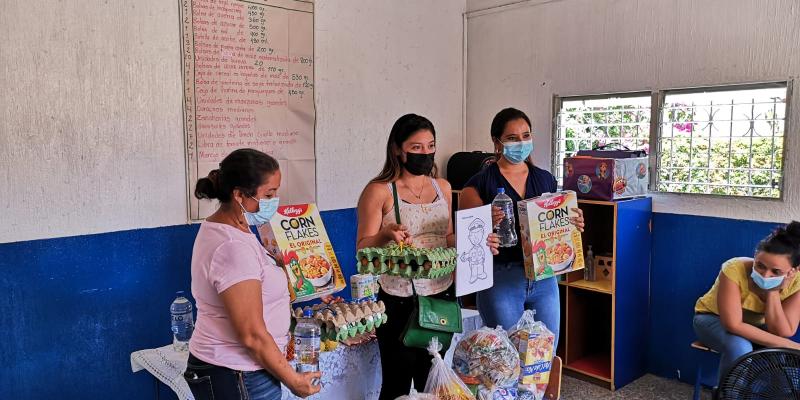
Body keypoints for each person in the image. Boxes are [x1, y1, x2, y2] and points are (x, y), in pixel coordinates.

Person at [356, 114, 499, 399]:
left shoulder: (442, 187)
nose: (425, 153)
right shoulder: (379, 191)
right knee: (397, 381)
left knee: (432, 379)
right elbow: (362, 249)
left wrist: (479, 241)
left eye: (430, 145)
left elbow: (447, 239)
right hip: (398, 298)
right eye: (416, 147)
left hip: (441, 293)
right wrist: (386, 234)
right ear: (398, 149)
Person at [183, 148, 320, 400]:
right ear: (238, 195)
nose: (275, 200)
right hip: (238, 373)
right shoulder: (232, 246)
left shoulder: (232, 227)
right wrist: (294, 381)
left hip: (243, 370)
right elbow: (252, 334)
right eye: (269, 194)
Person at [458, 107, 584, 348]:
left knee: (544, 354)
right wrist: (486, 226)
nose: (521, 143)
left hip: (545, 278)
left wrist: (572, 223)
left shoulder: (546, 179)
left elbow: (554, 226)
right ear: (497, 142)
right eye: (512, 138)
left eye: (526, 136)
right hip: (501, 278)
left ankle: (543, 388)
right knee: (507, 358)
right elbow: (466, 242)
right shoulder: (478, 185)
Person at [694, 221, 800, 376]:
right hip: (711, 319)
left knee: (784, 354)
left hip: (755, 326)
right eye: (760, 266)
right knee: (740, 347)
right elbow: (733, 325)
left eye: (776, 272)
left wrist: (773, 291)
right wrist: (790, 345)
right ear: (755, 256)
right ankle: (728, 394)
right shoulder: (733, 269)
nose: (765, 275)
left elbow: (783, 331)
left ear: (793, 271)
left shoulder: (796, 282)